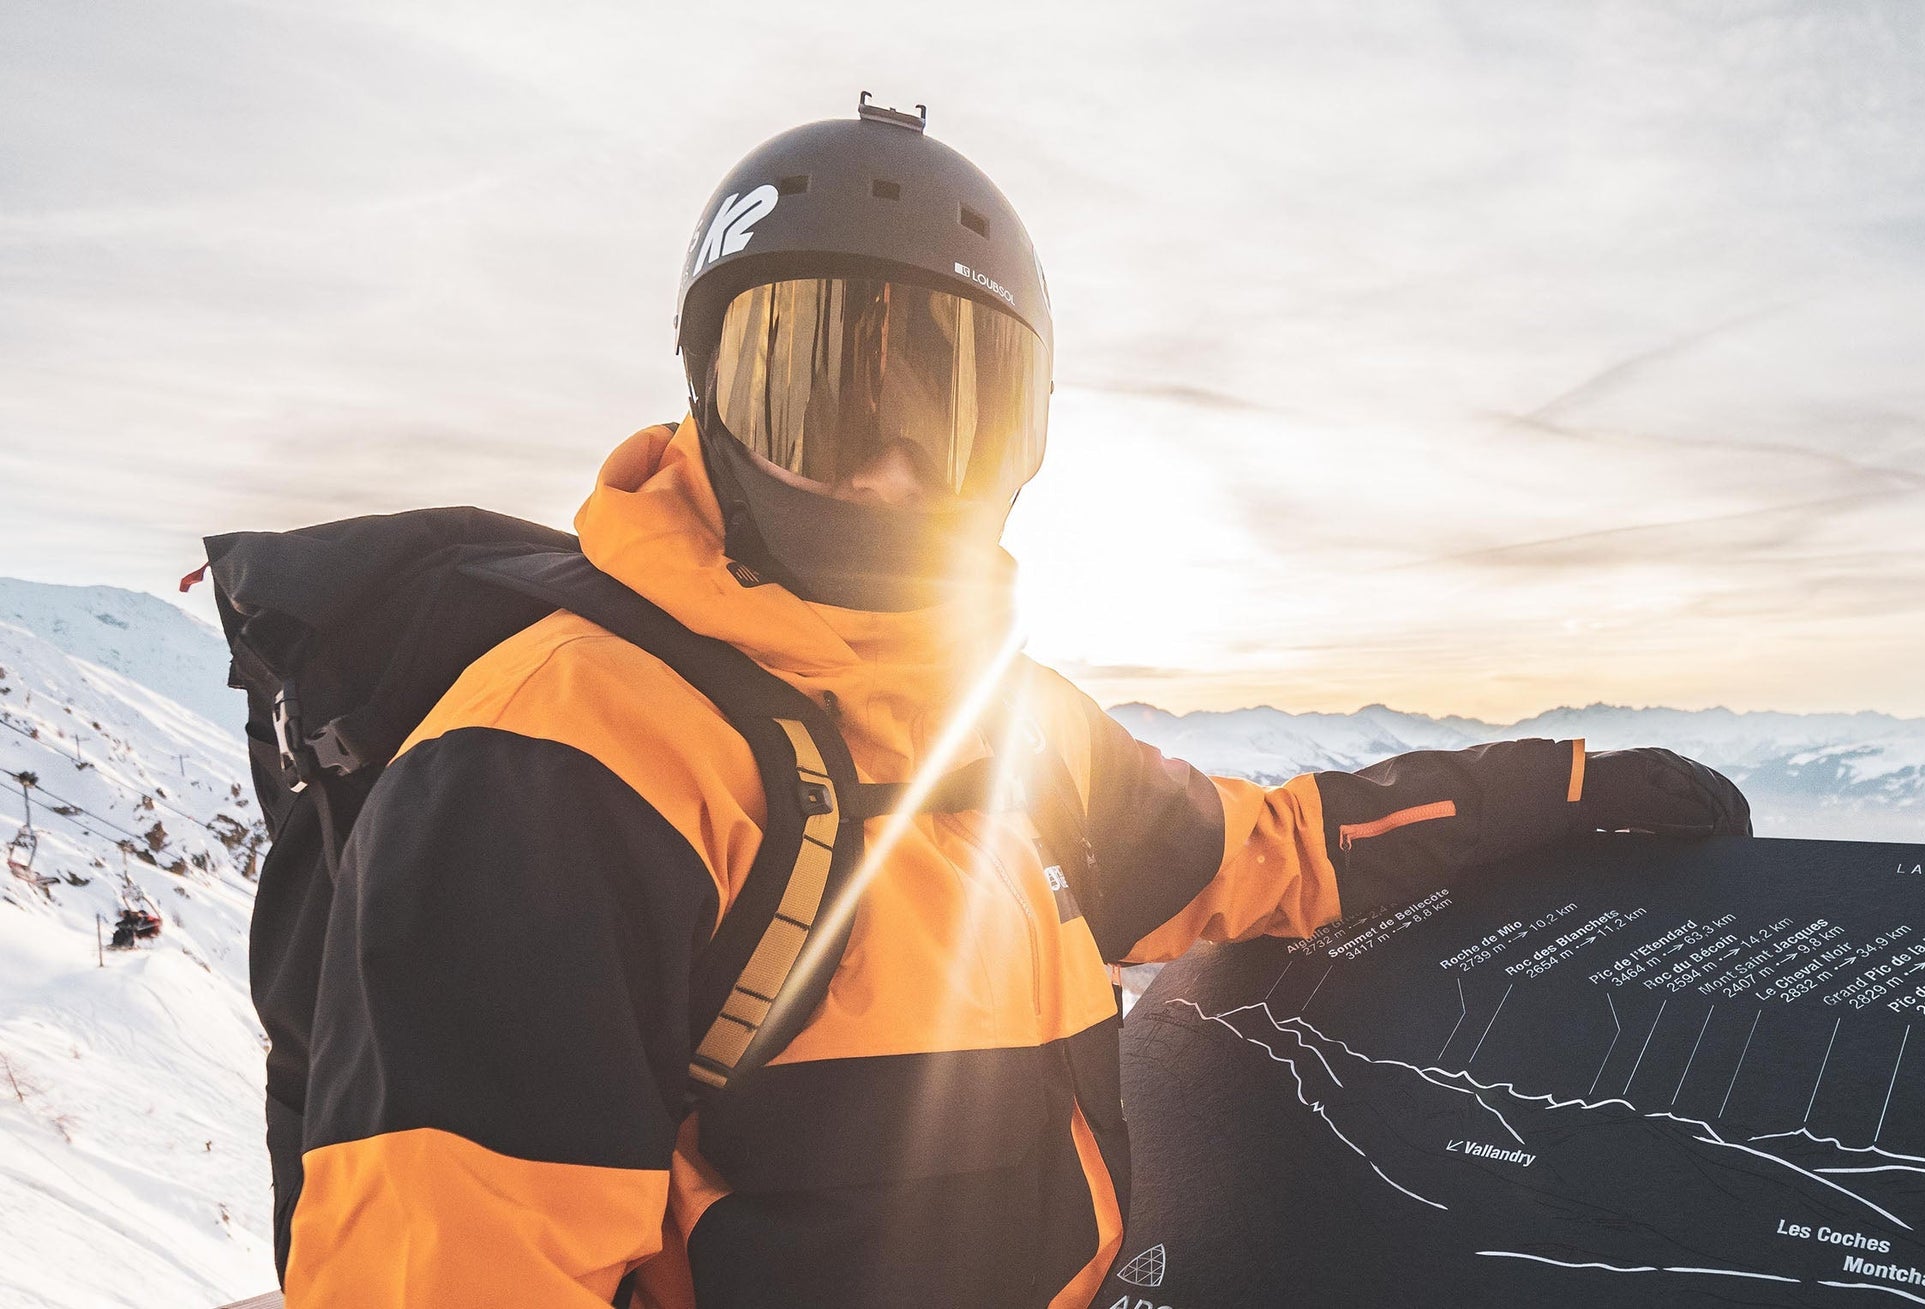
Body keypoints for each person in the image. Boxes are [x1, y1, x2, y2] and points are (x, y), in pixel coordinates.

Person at [278, 97, 1750, 1308]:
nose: (887, 470)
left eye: (947, 409)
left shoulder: (1009, 724)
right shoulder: (558, 764)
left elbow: (1271, 849)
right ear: (711, 396)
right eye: (821, 397)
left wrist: (1554, 788)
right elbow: (448, 1275)